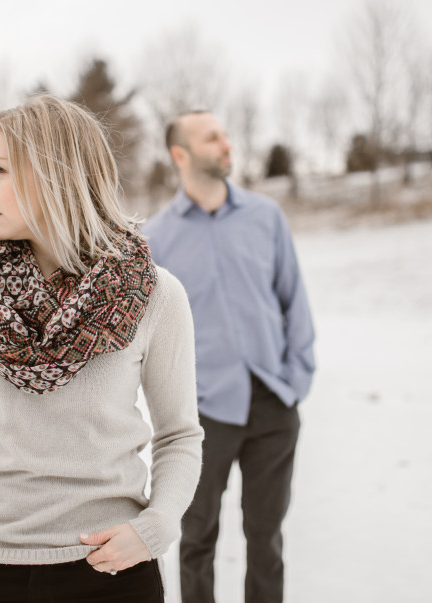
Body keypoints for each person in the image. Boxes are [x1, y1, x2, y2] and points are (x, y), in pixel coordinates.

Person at [0, 94, 203, 603]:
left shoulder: (155, 295)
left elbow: (179, 434)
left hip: (107, 571)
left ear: (55, 174)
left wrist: (155, 527)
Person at [143, 111, 316, 603]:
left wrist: (295, 379)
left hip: (273, 403)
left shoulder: (266, 217)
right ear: (181, 154)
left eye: (224, 135)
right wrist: (177, 404)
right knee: (196, 541)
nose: (227, 144)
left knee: (267, 540)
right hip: (202, 415)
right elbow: (150, 336)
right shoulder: (155, 239)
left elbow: (294, 301)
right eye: (212, 137)